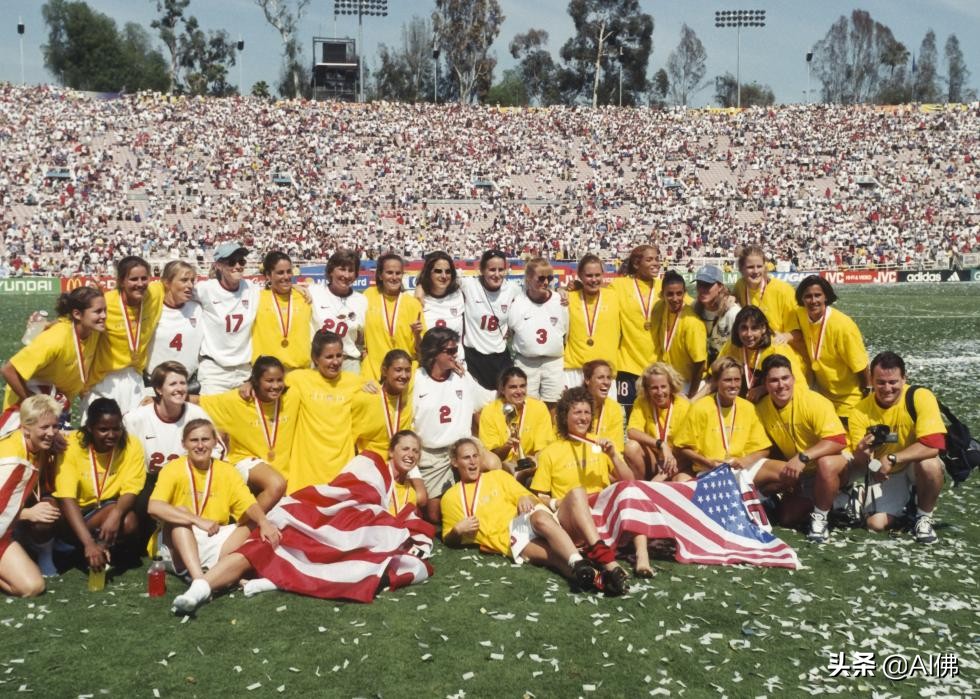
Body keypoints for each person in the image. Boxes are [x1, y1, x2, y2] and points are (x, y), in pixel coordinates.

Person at [170, 430, 432, 614]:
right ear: (391, 450)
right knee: (262, 546)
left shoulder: (409, 489)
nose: (410, 454)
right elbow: (347, 490)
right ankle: (200, 589)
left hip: (349, 536)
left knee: (353, 562)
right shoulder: (371, 464)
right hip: (321, 519)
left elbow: (414, 506)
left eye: (416, 451)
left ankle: (276, 581)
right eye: (405, 448)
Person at [441, 437, 628, 595]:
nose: (473, 462)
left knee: (557, 505)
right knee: (556, 558)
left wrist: (524, 496)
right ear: (455, 462)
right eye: (466, 458)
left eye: (476, 456)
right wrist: (457, 530)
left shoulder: (497, 476)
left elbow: (529, 497)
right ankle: (600, 580)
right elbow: (449, 538)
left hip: (528, 520)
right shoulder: (450, 498)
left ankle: (603, 561)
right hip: (511, 540)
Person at [148, 419, 279, 587]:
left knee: (255, 522)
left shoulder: (227, 470)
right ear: (184, 444)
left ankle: (218, 573)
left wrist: (264, 522)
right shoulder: (173, 468)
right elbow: (154, 507)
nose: (200, 445)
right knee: (181, 514)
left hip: (214, 535)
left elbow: (248, 503)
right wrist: (196, 519)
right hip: (178, 539)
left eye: (205, 439)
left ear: (215, 442)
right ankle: (199, 581)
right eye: (194, 440)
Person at [847, 352, 947, 544]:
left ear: (904, 379)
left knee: (930, 465)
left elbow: (934, 444)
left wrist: (892, 458)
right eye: (881, 382)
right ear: (871, 381)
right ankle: (908, 508)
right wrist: (865, 454)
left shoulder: (920, 396)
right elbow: (863, 460)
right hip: (887, 472)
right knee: (875, 524)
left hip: (913, 464)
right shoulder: (859, 411)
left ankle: (923, 517)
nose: (887, 388)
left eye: (893, 382)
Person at [752, 355, 849, 543]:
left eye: (785, 378)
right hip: (803, 472)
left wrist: (802, 457)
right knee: (787, 518)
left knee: (826, 464)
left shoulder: (813, 401)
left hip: (837, 461)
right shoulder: (761, 408)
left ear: (794, 378)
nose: (781, 385)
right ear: (765, 384)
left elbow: (838, 441)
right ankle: (836, 500)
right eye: (773, 380)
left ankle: (821, 516)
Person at [124, 361, 219, 544]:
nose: (180, 389)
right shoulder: (137, 418)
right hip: (148, 478)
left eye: (183, 383)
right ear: (159, 389)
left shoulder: (196, 414)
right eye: (173, 384)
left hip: (186, 476)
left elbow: (217, 449)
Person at [53, 398, 146, 573]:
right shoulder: (71, 445)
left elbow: (131, 489)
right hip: (75, 513)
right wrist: (88, 543)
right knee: (51, 511)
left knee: (129, 521)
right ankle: (77, 546)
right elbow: (67, 497)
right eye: (103, 429)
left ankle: (104, 548)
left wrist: (116, 515)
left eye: (116, 428)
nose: (111, 435)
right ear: (89, 427)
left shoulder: (132, 445)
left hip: (105, 508)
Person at [411, 328, 493, 523]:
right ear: (433, 352)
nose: (454, 355)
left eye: (455, 350)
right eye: (449, 351)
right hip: (432, 452)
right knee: (435, 516)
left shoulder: (461, 377)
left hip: (462, 446)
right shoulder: (416, 379)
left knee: (492, 464)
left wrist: (512, 388)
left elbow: (487, 398)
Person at [1, 286, 105, 436]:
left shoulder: (92, 331)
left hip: (57, 404)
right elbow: (8, 369)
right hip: (26, 407)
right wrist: (35, 404)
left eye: (105, 310)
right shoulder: (56, 338)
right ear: (77, 314)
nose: (104, 316)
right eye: (98, 311)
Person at [198, 357, 293, 512]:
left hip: (277, 467)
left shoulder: (290, 397)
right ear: (256, 380)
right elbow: (199, 401)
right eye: (269, 380)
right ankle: (244, 527)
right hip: (244, 460)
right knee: (276, 484)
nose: (275, 386)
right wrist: (158, 399)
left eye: (279, 380)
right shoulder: (237, 400)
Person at [282, 330, 363, 491]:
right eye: (329, 357)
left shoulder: (356, 382)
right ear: (315, 358)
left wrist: (373, 387)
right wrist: (250, 383)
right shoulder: (298, 378)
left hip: (340, 471)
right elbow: (269, 383)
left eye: (339, 355)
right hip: (306, 473)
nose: (335, 361)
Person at [672, 357, 771, 481]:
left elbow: (764, 449)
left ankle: (766, 497)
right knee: (680, 481)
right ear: (716, 382)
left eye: (737, 380)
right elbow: (682, 447)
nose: (734, 385)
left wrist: (746, 460)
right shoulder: (701, 407)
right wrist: (708, 463)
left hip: (741, 468)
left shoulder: (748, 407)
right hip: (709, 470)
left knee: (783, 471)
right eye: (727, 380)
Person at [1, 395, 63, 592]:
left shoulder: (31, 442)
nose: (52, 433)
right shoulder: (13, 462)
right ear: (26, 428)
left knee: (33, 587)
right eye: (44, 427)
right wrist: (28, 514)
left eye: (55, 426)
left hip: (5, 528)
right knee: (30, 587)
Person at [87, 257, 164, 415]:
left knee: (135, 434)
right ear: (121, 281)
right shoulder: (106, 302)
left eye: (144, 278)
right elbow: (77, 319)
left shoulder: (154, 293)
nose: (140, 284)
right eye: (133, 279)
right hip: (105, 380)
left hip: (135, 378)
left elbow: (175, 283)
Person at [794, 275, 870, 422]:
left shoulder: (843, 326)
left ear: (826, 297)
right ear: (801, 299)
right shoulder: (800, 314)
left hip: (849, 401)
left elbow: (861, 366)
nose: (813, 301)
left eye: (818, 295)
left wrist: (868, 393)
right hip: (823, 399)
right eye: (808, 296)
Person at [195, 242, 260, 395]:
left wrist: (296, 287)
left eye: (241, 261)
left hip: (244, 371)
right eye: (232, 261)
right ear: (218, 265)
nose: (238, 265)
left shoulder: (251, 288)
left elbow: (276, 290)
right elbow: (175, 291)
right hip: (215, 371)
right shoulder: (206, 289)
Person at [505, 258, 567, 407]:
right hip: (526, 361)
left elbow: (565, 332)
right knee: (525, 404)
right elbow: (510, 332)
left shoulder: (560, 300)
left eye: (549, 278)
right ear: (528, 278)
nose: (546, 282)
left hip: (553, 361)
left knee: (554, 404)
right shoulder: (518, 302)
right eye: (541, 278)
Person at [611, 244, 662, 417]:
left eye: (657, 259)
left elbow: (692, 304)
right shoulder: (619, 286)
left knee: (657, 416)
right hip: (628, 364)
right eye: (649, 260)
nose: (655, 263)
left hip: (657, 364)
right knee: (633, 416)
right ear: (636, 264)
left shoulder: (664, 287)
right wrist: (573, 288)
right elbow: (594, 291)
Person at [479, 367, 556, 480]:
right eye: (513, 387)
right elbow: (492, 457)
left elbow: (542, 448)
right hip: (502, 467)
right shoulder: (490, 412)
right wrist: (506, 447)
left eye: (522, 386)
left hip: (532, 464)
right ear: (502, 390)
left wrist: (533, 461)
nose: (519, 391)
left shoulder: (538, 407)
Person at [718, 306, 807, 403]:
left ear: (763, 328)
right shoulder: (733, 346)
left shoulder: (776, 349)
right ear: (737, 330)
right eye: (744, 328)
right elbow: (714, 376)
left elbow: (799, 386)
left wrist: (765, 388)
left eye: (754, 328)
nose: (749, 334)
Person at [362, 252, 425, 384]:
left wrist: (417, 335)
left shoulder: (413, 304)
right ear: (380, 275)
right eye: (389, 272)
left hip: (404, 375)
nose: (394, 277)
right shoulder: (367, 297)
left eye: (398, 273)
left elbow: (421, 349)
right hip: (373, 374)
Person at [459, 250, 517, 391]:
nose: (497, 274)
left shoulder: (513, 289)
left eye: (501, 270)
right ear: (482, 270)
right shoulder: (469, 285)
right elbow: (437, 279)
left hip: (500, 356)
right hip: (474, 357)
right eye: (492, 269)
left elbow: (537, 291)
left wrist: (562, 290)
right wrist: (419, 288)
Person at [623, 362, 691, 481]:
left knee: (681, 481)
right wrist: (661, 444)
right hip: (654, 458)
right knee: (631, 447)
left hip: (678, 461)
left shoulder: (684, 405)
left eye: (663, 386)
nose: (659, 392)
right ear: (647, 389)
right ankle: (641, 487)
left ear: (671, 386)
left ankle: (654, 486)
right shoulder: (642, 402)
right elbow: (632, 431)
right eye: (654, 388)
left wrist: (663, 475)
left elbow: (689, 450)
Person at [145, 261, 204, 391]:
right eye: (184, 280)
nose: (190, 285)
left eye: (192, 280)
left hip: (189, 384)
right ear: (167, 282)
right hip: (153, 384)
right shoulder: (152, 310)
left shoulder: (197, 309)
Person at [564, 254, 620, 389]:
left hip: (605, 370)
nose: (594, 280)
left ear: (603, 274)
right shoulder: (569, 298)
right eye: (589, 276)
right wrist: (562, 289)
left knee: (605, 410)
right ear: (580, 276)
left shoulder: (614, 296)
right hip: (575, 370)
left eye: (597, 275)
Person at [308, 249, 368, 375]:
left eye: (351, 270)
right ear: (331, 270)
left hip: (349, 362)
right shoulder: (314, 292)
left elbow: (362, 338)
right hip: (318, 362)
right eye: (342, 269)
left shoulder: (362, 301)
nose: (346, 275)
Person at [252, 251, 312, 371]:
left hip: (300, 372)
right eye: (280, 273)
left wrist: (295, 286)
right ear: (268, 275)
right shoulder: (256, 297)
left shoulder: (305, 297)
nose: (286, 277)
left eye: (289, 271)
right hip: (267, 373)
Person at [650, 270, 706, 398]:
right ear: (662, 295)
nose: (675, 299)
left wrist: (692, 395)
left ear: (684, 293)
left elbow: (700, 363)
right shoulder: (662, 308)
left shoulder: (692, 322)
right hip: (670, 381)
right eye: (670, 294)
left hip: (689, 384)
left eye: (679, 294)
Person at [352, 349, 414, 455]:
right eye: (398, 370)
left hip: (399, 463)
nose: (404, 375)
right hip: (370, 464)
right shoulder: (367, 397)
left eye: (407, 370)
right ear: (385, 371)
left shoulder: (409, 391)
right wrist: (360, 385)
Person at [733, 245, 800, 343]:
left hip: (779, 348)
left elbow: (798, 331)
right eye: (750, 267)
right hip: (752, 344)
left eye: (759, 266)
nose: (755, 271)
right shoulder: (740, 286)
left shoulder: (784, 290)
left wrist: (785, 337)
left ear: (765, 267)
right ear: (741, 269)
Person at [692, 265, 740, 369]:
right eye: (700, 284)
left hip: (725, 371)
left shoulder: (732, 313)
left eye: (707, 285)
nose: (702, 289)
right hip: (700, 370)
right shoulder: (693, 308)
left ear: (720, 287)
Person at [416, 251, 465, 336]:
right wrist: (420, 286)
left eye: (448, 271)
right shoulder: (417, 299)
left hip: (456, 349)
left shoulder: (459, 295)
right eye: (438, 271)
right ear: (428, 273)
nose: (444, 276)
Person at [583, 360, 625, 453]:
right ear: (587, 380)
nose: (606, 382)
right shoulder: (574, 405)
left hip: (604, 460)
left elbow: (617, 448)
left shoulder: (614, 408)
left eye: (609, 378)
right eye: (600, 377)